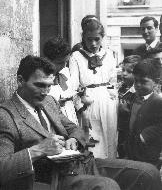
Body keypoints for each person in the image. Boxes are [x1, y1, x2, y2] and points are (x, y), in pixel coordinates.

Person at [0, 55, 162, 190]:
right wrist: (38, 150)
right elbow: (2, 168)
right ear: (21, 80)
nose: (45, 92)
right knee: (106, 186)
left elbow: (75, 129)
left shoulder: (48, 101)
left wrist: (74, 140)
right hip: (52, 178)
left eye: (49, 86)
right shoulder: (6, 115)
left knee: (148, 172)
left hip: (82, 164)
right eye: (39, 85)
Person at [69, 17, 118, 159]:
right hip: (88, 102)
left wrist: (112, 97)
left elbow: (113, 80)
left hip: (107, 102)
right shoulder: (76, 57)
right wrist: (81, 108)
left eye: (97, 39)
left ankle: (111, 167)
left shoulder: (108, 55)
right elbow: (73, 86)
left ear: (102, 37)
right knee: (93, 140)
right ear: (83, 37)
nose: (93, 43)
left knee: (110, 137)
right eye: (89, 39)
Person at [125, 58, 162, 169]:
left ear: (156, 81)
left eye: (144, 81)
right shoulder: (133, 98)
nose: (138, 85)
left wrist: (145, 135)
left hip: (149, 152)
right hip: (132, 149)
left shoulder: (158, 102)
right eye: (136, 81)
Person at [43, 36, 78, 125]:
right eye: (59, 63)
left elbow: (70, 91)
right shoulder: (43, 79)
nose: (63, 65)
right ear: (47, 59)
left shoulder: (65, 72)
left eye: (66, 62)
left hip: (69, 114)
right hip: (53, 119)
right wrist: (56, 103)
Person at [117, 55, 141, 158]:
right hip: (120, 131)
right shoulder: (122, 88)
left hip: (130, 134)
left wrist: (127, 110)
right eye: (123, 70)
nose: (124, 74)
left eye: (129, 71)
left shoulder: (137, 93)